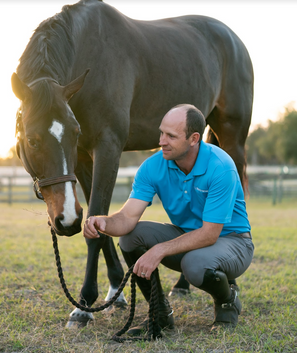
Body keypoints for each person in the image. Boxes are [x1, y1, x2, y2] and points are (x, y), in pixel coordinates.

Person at [83, 104, 254, 335]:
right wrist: (104, 223)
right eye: (162, 132)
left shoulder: (221, 167)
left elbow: (210, 234)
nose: (162, 140)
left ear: (194, 139)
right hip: (188, 238)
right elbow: (128, 217)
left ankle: (227, 300)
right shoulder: (153, 166)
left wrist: (159, 250)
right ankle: (160, 313)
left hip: (233, 242)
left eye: (171, 136)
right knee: (129, 238)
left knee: (194, 265)